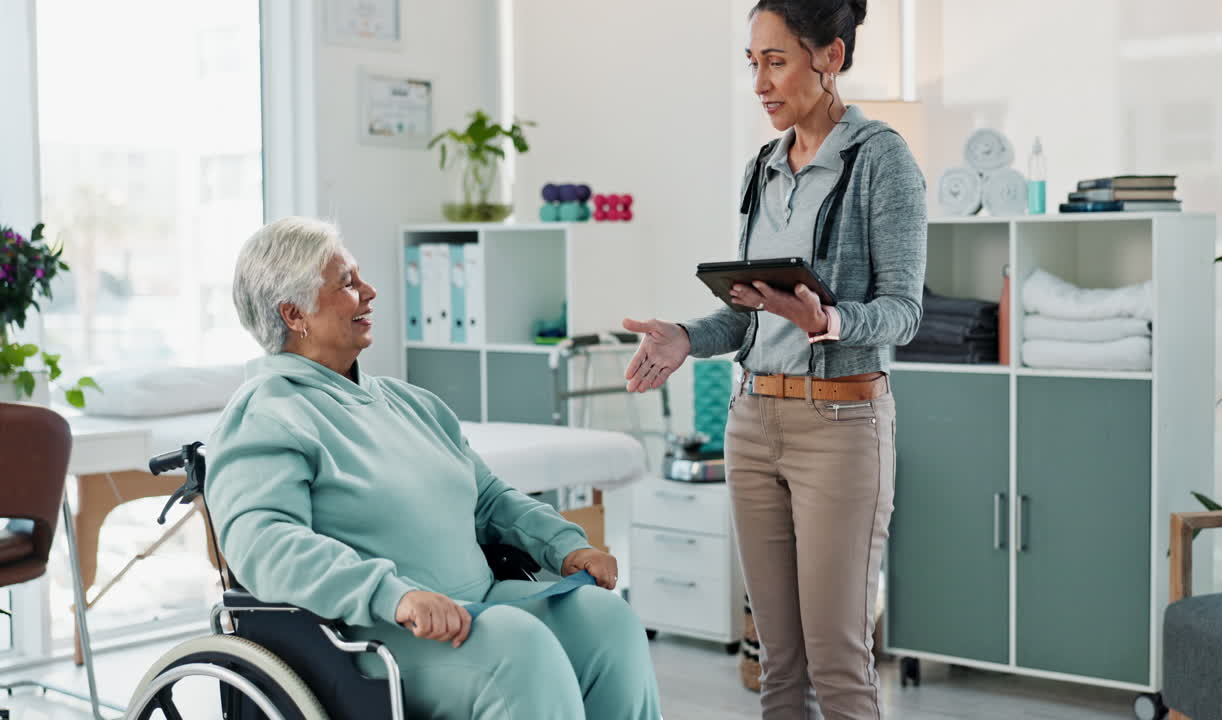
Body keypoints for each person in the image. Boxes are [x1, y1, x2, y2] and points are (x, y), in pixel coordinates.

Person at [208, 217, 661, 720]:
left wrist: (565, 544)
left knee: (607, 622)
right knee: (518, 646)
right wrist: (394, 596)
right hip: (367, 634)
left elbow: (487, 498)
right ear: (295, 315)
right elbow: (264, 543)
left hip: (477, 602)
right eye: (348, 284)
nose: (370, 292)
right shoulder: (267, 412)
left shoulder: (409, 403)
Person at [622, 1, 926, 717]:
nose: (759, 81)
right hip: (753, 424)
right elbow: (750, 310)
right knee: (775, 662)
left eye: (777, 61)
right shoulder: (763, 166)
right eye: (752, 62)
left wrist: (831, 319)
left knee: (839, 659)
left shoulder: (881, 160)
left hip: (841, 427)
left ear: (832, 57)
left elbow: (905, 312)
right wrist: (686, 339)